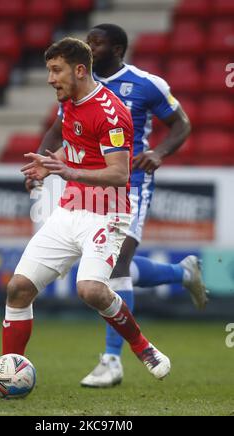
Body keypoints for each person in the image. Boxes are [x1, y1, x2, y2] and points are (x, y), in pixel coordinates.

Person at [0, 37, 171, 397]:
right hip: (70, 209)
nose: (49, 78)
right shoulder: (69, 102)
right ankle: (5, 378)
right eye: (48, 70)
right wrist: (48, 165)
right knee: (18, 288)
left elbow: (120, 173)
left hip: (107, 215)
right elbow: (74, 141)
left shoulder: (111, 112)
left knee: (89, 290)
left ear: (79, 70)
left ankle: (142, 347)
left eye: (55, 70)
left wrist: (67, 171)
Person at [26, 24, 208, 388]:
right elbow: (58, 129)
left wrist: (158, 152)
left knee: (116, 267)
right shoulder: (79, 87)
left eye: (98, 42)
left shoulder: (146, 84)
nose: (90, 46)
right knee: (112, 268)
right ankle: (182, 273)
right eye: (88, 41)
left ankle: (111, 360)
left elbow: (181, 124)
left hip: (132, 184)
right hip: (85, 187)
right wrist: (42, 164)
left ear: (119, 48)